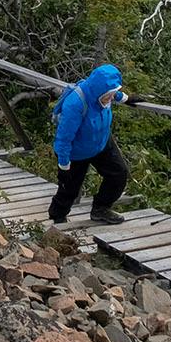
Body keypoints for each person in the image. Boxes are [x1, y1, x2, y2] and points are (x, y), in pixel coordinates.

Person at [49, 64, 131, 225]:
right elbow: (63, 138)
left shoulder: (103, 93)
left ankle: (101, 209)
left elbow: (112, 93)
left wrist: (126, 98)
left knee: (119, 174)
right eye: (108, 95)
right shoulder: (75, 103)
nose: (110, 99)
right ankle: (58, 218)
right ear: (98, 91)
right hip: (76, 152)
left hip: (101, 143)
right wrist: (64, 166)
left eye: (111, 95)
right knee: (69, 189)